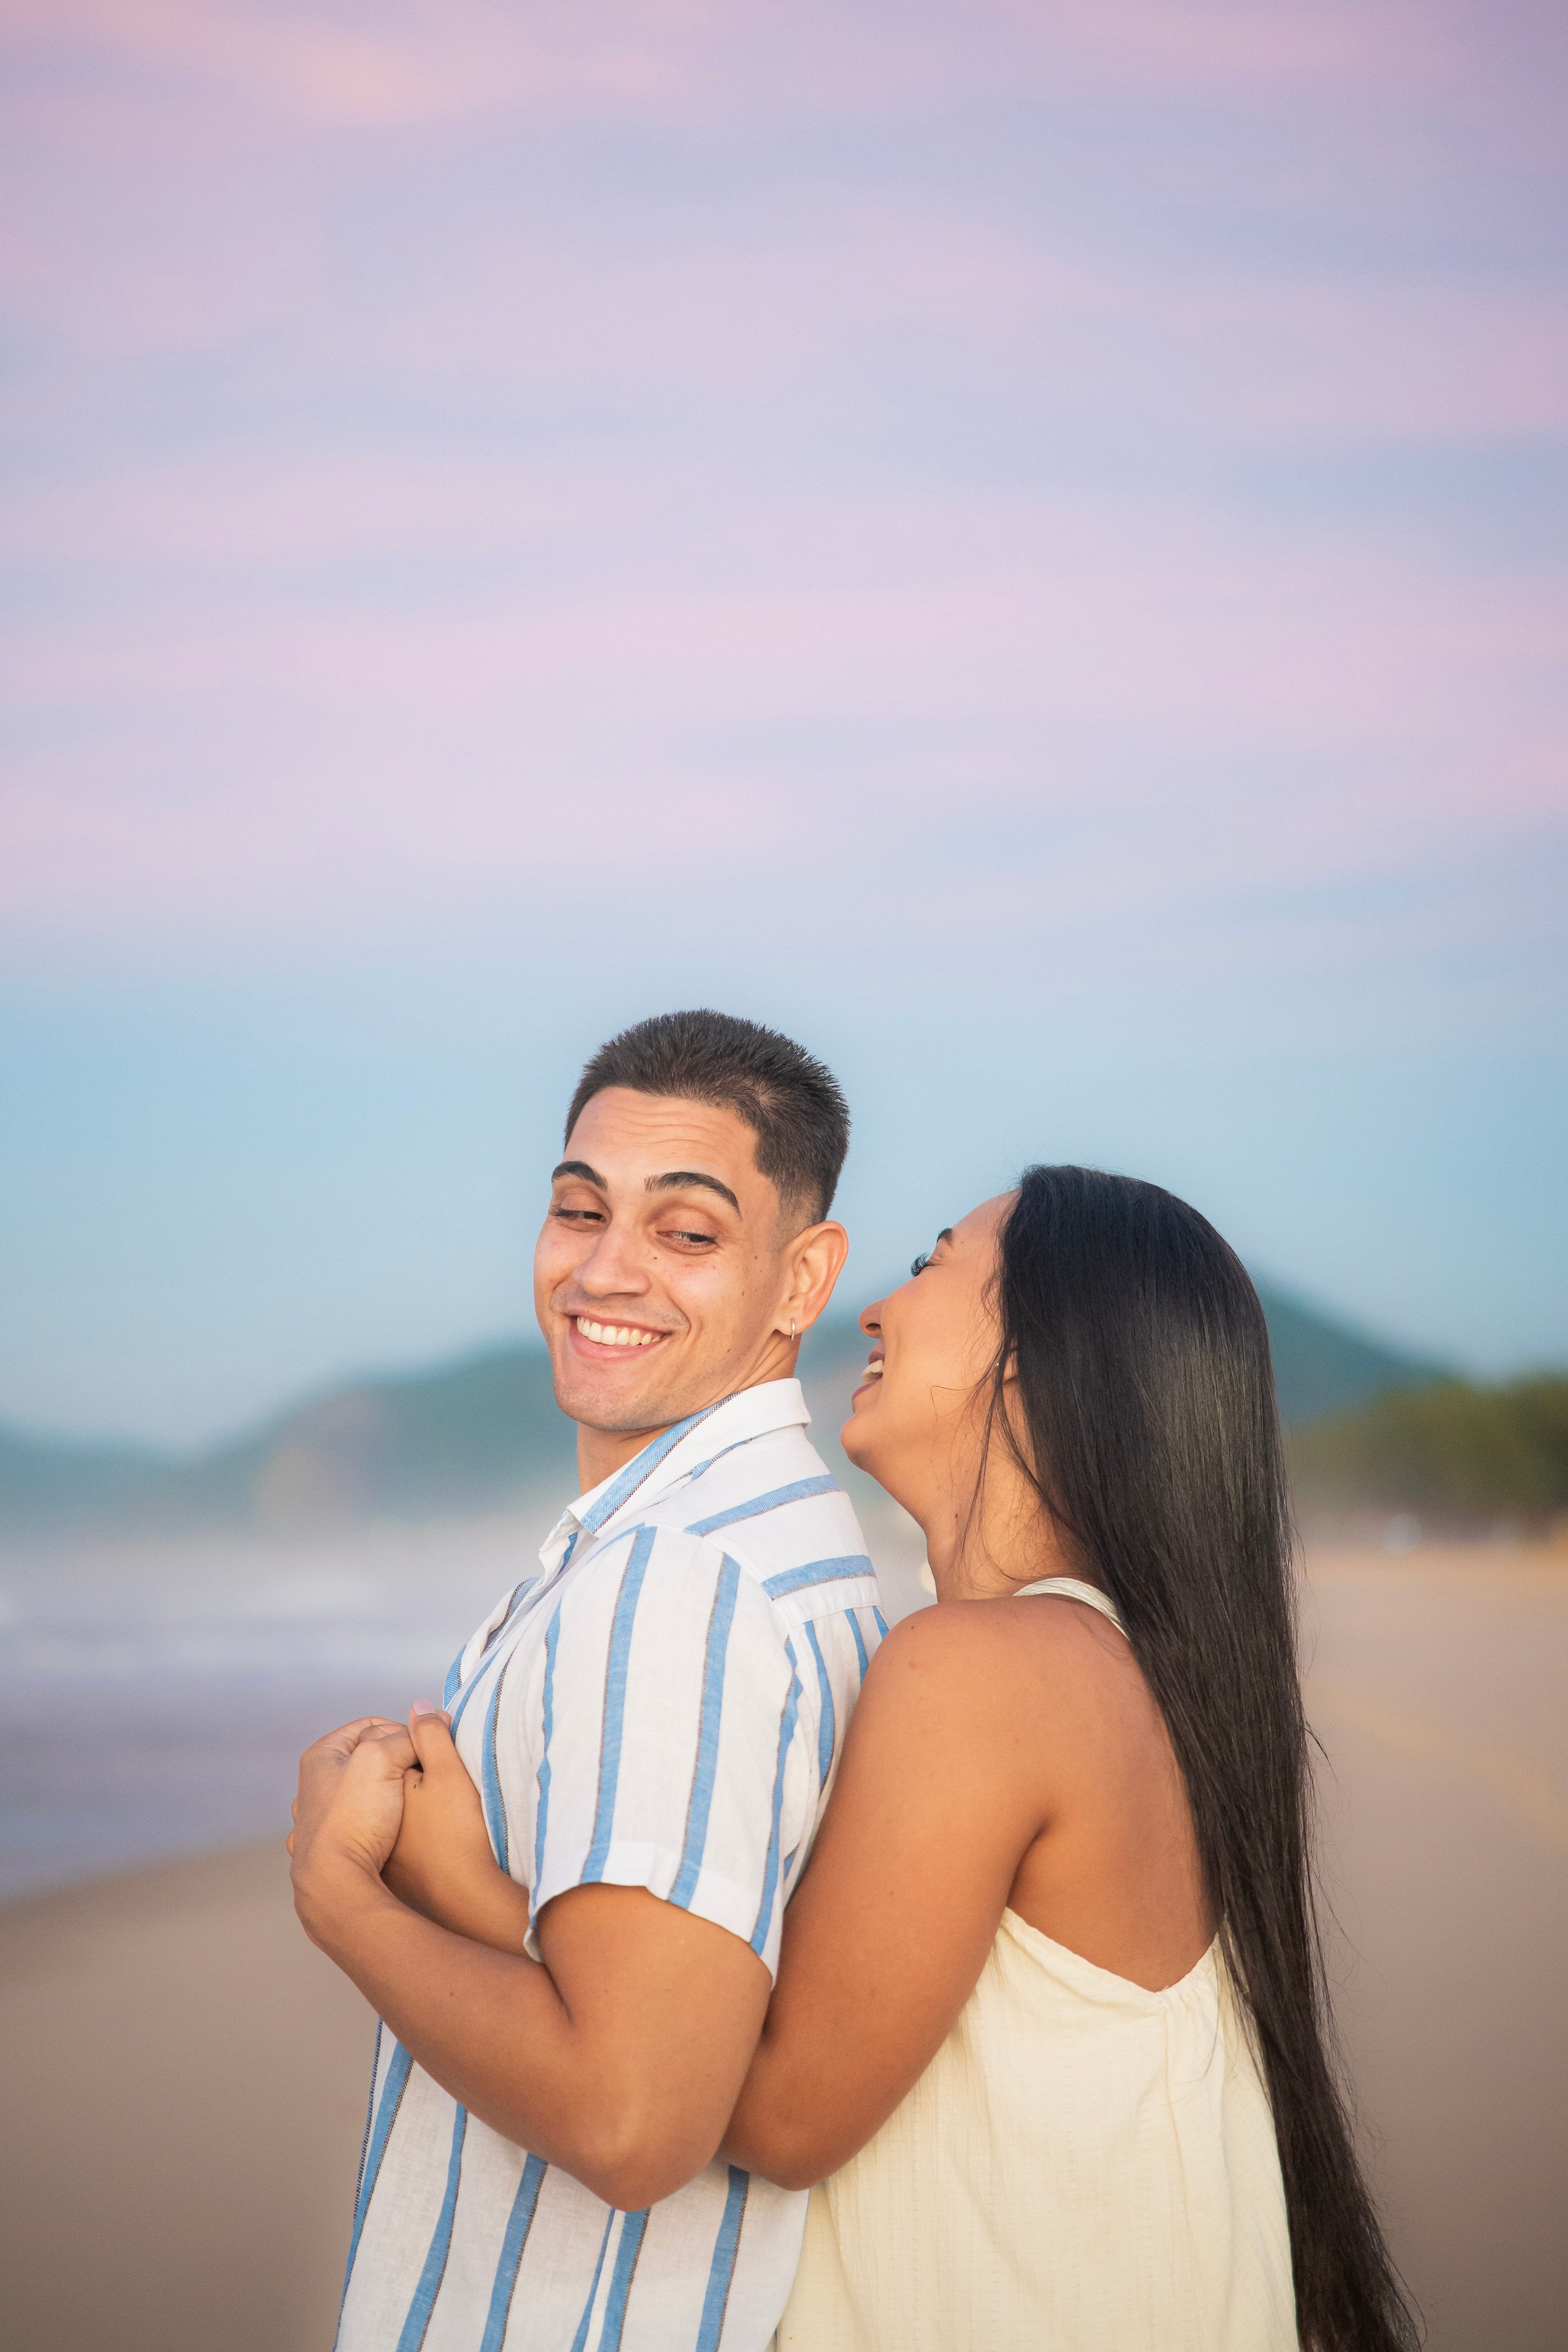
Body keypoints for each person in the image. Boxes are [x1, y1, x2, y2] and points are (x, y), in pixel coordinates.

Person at [390, 1166, 1421, 2352]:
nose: (875, 1309)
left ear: (1034, 1354)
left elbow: (782, 2118)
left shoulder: (984, 1672)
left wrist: (433, 1893)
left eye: (933, 1264)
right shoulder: (1098, 1665)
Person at [288, 1010, 888, 2352]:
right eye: (578, 1211)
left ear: (801, 1281)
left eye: (685, 1233)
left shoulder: (679, 1578)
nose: (605, 1271)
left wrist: (344, 1905)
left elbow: (629, 2120)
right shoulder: (783, 1538)